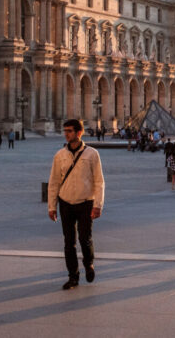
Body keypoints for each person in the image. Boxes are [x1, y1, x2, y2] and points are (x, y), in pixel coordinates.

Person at [48, 119, 105, 290]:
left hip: (86, 202)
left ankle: (88, 264)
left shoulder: (92, 154)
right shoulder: (59, 155)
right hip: (66, 203)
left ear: (79, 133)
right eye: (65, 130)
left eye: (70, 131)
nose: (66, 134)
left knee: (84, 239)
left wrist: (98, 204)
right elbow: (54, 182)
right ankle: (73, 276)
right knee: (69, 242)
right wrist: (52, 206)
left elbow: (99, 181)